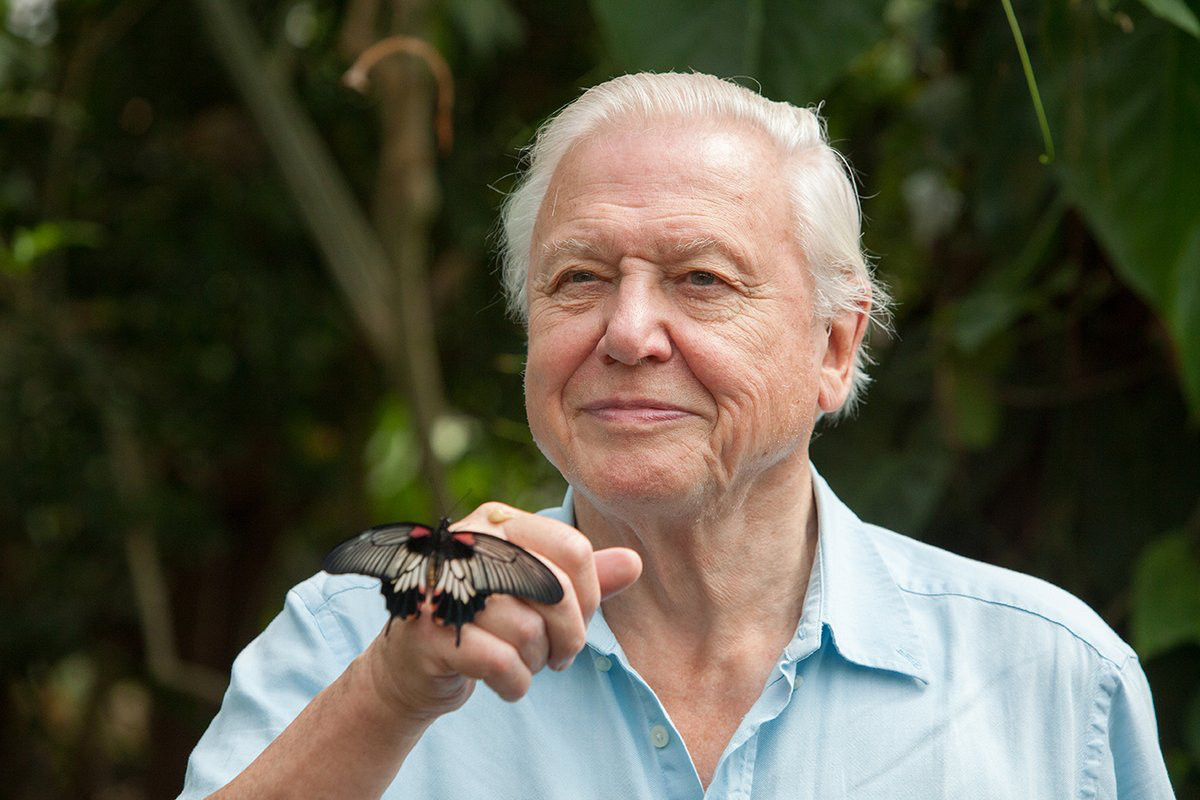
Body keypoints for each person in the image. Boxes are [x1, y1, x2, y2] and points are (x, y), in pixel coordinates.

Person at [179, 72, 1174, 799]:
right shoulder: (359, 640)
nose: (627, 331)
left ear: (835, 345)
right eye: (579, 279)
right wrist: (393, 693)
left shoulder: (1050, 678)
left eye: (702, 279)